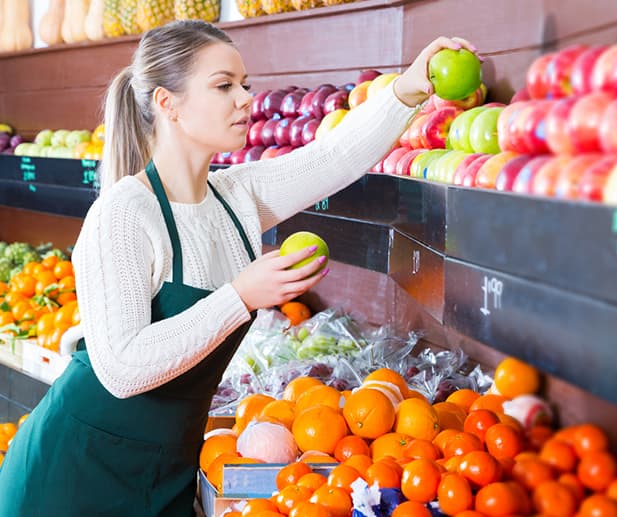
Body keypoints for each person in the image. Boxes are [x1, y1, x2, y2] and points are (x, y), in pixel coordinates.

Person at [0, 20, 477, 516]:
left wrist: (407, 89)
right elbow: (122, 368)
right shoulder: (124, 213)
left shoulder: (235, 197)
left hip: (167, 465)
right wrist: (240, 295)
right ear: (168, 104)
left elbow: (334, 155)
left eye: (244, 84)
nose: (245, 98)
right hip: (74, 469)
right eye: (223, 85)